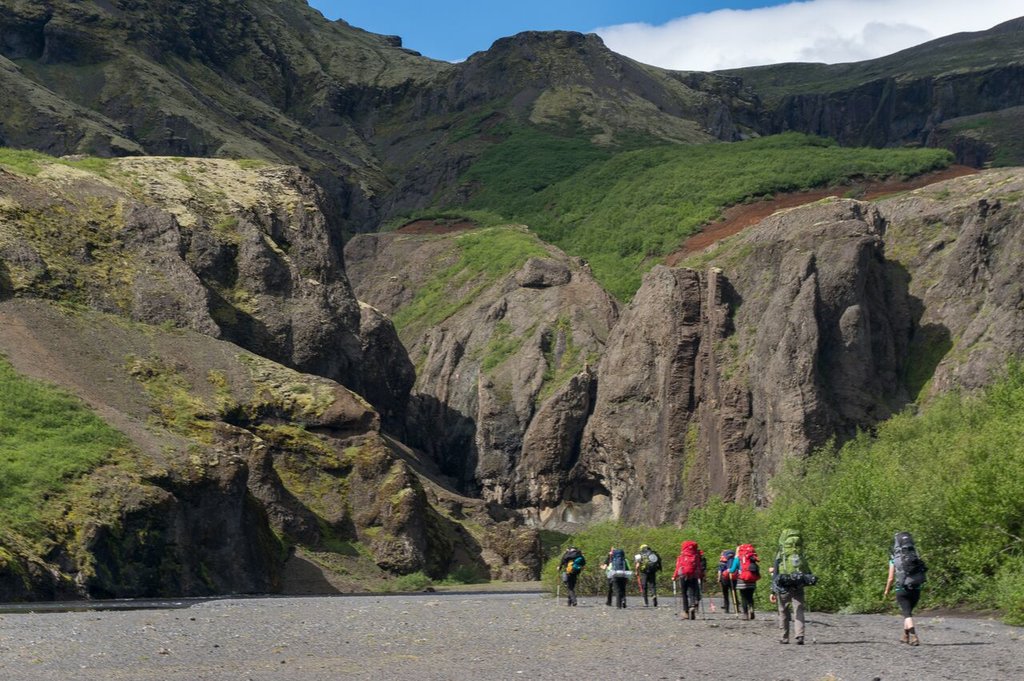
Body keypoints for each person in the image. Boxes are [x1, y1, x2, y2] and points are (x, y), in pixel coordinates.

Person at [771, 528, 815, 644]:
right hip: (798, 584)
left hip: (784, 585)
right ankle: (800, 636)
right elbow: (806, 569)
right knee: (799, 609)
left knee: (783, 611)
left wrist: (772, 590)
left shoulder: (781, 553)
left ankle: (784, 637)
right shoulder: (799, 553)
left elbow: (775, 572)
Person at [884, 531, 927, 645]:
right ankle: (905, 635)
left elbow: (890, 578)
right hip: (916, 588)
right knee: (907, 613)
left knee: (907, 614)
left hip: (902, 589)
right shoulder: (915, 554)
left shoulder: (894, 559)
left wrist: (886, 591)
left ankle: (914, 636)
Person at [672, 540, 706, 620]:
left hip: (683, 575)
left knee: (684, 593)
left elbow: (678, 567)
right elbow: (699, 567)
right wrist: (702, 576)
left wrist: (674, 576)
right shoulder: (696, 556)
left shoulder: (681, 556)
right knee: (692, 592)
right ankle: (692, 605)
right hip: (693, 575)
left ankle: (686, 612)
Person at [727, 543, 761, 620]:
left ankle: (745, 614)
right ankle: (751, 608)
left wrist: (729, 570)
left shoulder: (737, 559)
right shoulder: (752, 557)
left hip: (742, 581)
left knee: (743, 597)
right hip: (752, 581)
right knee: (750, 596)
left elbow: (732, 570)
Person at [717, 548, 736, 613]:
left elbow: (720, 570)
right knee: (733, 592)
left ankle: (726, 608)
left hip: (724, 578)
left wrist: (719, 578)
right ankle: (736, 608)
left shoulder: (722, 560)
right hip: (733, 578)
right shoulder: (734, 559)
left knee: (725, 594)